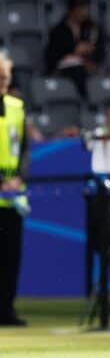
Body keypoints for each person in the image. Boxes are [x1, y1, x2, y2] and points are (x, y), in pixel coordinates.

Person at [0, 53, 30, 326]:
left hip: (13, 195)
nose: (2, 82)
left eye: (5, 77)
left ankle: (7, 310)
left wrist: (19, 176)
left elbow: (24, 148)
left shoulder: (16, 108)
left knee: (11, 257)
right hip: (2, 185)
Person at [45, 0, 105, 99]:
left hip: (88, 65)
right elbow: (52, 57)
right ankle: (84, 101)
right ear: (72, 11)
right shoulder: (59, 31)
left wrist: (89, 50)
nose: (84, 13)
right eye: (80, 9)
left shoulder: (92, 29)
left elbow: (100, 51)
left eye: (85, 9)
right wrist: (73, 51)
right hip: (66, 69)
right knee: (78, 71)